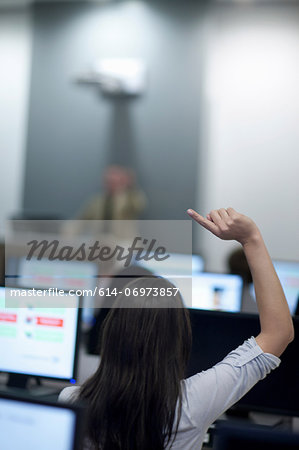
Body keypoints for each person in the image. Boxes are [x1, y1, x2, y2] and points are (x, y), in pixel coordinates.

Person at [59, 207, 294, 450]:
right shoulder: (192, 404)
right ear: (180, 338)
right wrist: (251, 238)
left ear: (110, 335)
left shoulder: (70, 401)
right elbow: (278, 332)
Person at [77, 165, 146, 221]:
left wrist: (131, 185)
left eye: (114, 181)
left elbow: (140, 205)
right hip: (101, 237)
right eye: (108, 181)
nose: (111, 184)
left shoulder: (128, 198)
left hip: (123, 238)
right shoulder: (96, 201)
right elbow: (81, 220)